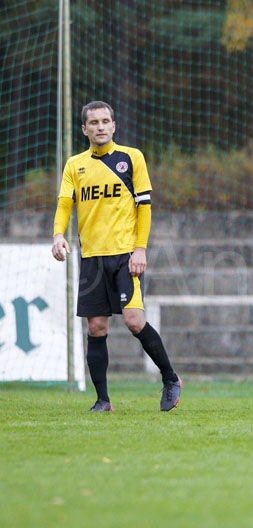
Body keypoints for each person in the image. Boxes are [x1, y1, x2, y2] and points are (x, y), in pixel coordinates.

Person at [51, 100, 182, 412]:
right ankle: (103, 401)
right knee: (96, 328)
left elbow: (144, 208)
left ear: (113, 126)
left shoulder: (131, 158)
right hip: (92, 258)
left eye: (105, 121)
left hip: (125, 256)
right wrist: (58, 234)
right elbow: (64, 205)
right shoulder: (74, 165)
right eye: (93, 122)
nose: (100, 127)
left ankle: (170, 378)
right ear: (84, 129)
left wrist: (140, 249)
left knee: (135, 321)